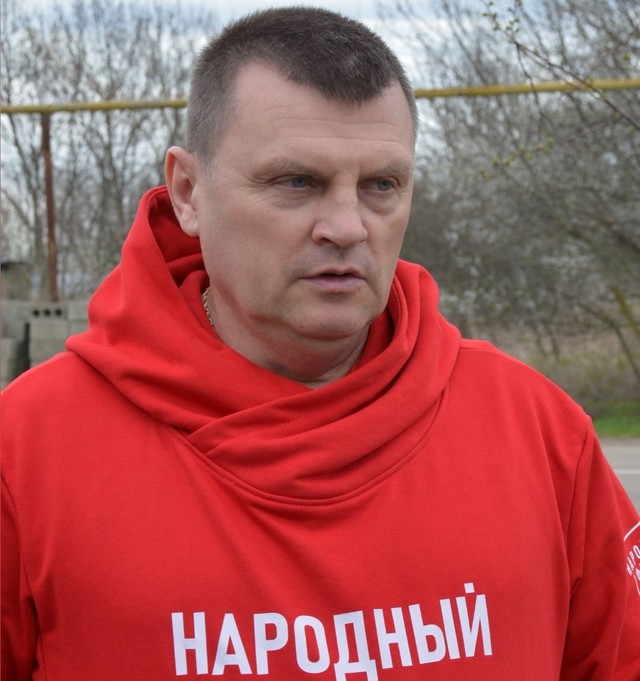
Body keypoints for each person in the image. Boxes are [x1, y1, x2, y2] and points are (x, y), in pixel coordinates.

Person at [1, 7, 639, 680]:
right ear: (188, 192)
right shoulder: (28, 451)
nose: (347, 226)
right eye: (296, 182)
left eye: (381, 185)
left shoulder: (539, 431)